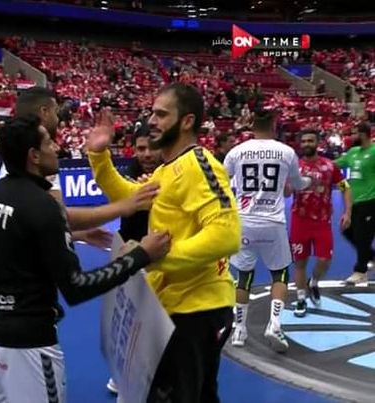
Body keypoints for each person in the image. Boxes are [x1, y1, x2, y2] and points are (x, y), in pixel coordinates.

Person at [0, 115, 171, 403]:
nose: (56, 148)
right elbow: (77, 287)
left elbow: (20, 245)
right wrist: (141, 255)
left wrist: (74, 235)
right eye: (49, 143)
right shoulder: (43, 205)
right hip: (26, 343)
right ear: (34, 155)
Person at [87, 83, 241, 402]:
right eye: (152, 113)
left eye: (161, 114)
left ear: (186, 121)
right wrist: (99, 156)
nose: (151, 121)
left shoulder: (198, 165)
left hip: (197, 310)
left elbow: (226, 235)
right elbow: (131, 197)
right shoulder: (166, 169)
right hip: (174, 308)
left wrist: (154, 257)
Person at [0, 87, 141, 249]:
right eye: (55, 111)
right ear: (44, 112)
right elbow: (55, 215)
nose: (58, 118)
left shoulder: (15, 160)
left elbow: (35, 225)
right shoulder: (37, 161)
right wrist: (122, 207)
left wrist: (78, 235)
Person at [223, 108, 312, 353]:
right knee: (279, 274)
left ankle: (239, 330)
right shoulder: (286, 152)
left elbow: (221, 182)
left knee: (244, 276)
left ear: (252, 125)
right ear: (273, 125)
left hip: (244, 221)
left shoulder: (236, 152)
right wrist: (309, 181)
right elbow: (296, 184)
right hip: (273, 222)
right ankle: (274, 324)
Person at [105, 130, 162, 395]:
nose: (147, 154)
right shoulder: (129, 173)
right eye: (141, 149)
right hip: (132, 253)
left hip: (163, 255)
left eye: (152, 148)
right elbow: (122, 199)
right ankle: (123, 374)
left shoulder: (171, 171)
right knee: (131, 317)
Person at [288, 130, 352, 317]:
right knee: (300, 262)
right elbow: (286, 192)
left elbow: (345, 188)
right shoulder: (294, 167)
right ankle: (301, 299)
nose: (307, 144)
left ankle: (314, 282)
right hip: (299, 221)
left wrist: (347, 212)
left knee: (325, 259)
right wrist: (287, 186)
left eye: (310, 140)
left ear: (318, 143)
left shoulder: (330, 166)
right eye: (304, 141)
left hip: (322, 221)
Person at [335, 122, 375, 285]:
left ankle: (360, 271)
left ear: (363, 134)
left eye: (354, 133)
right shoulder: (352, 152)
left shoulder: (374, 151)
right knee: (346, 231)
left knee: (362, 236)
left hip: (371, 200)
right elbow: (334, 166)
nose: (351, 137)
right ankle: (371, 257)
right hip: (353, 201)